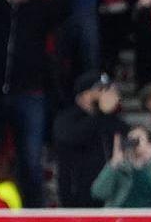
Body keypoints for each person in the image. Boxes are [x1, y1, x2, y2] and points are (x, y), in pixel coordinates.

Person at [52, 72, 127, 208]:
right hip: (78, 198)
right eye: (101, 89)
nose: (106, 94)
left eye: (108, 89)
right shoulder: (67, 118)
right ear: (84, 95)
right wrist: (101, 113)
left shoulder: (112, 120)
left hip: (111, 197)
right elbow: (71, 138)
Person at [91, 126, 151, 208]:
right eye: (130, 139)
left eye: (138, 139)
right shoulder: (120, 167)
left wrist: (149, 162)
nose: (133, 142)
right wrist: (114, 163)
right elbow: (98, 193)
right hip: (122, 218)